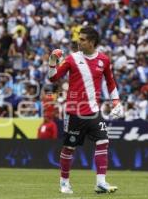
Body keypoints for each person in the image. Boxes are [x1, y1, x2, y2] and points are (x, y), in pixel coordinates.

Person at [48, 26, 124, 194]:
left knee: (103, 141)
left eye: (82, 39)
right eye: (79, 38)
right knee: (69, 148)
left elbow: (110, 82)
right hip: (74, 112)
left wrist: (116, 102)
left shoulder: (104, 60)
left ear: (91, 42)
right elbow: (53, 78)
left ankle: (101, 182)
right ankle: (64, 183)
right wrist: (52, 61)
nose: (78, 41)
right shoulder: (71, 59)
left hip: (94, 112)